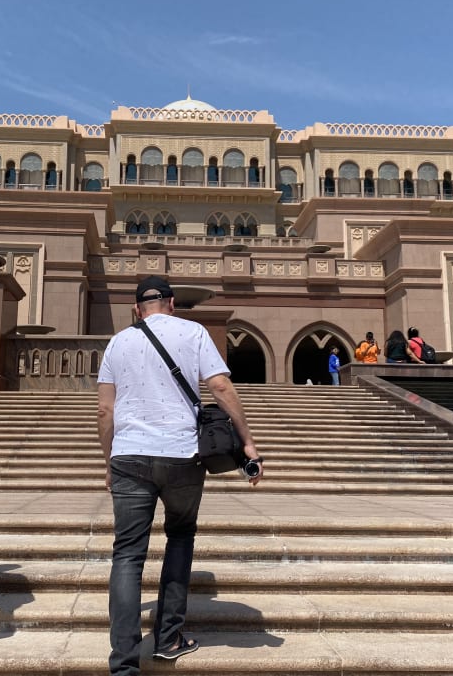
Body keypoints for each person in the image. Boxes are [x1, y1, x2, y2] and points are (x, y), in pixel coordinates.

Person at [97, 275, 263, 676]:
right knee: (180, 537)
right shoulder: (194, 332)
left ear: (138, 309)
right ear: (172, 303)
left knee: (127, 555)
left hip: (130, 456)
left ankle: (123, 663)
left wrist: (109, 461)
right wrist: (248, 442)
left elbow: (105, 411)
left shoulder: (119, 341)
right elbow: (221, 387)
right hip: (181, 455)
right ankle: (169, 638)